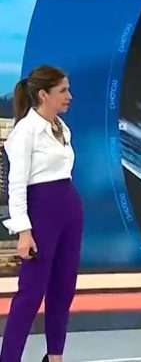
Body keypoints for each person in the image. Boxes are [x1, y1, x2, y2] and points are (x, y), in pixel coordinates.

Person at [0, 66, 81, 362]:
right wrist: (24, 231)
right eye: (63, 90)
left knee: (64, 288)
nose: (69, 96)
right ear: (43, 94)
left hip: (69, 210)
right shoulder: (25, 131)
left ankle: (55, 356)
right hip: (42, 213)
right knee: (32, 292)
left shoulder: (61, 127)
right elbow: (16, 184)